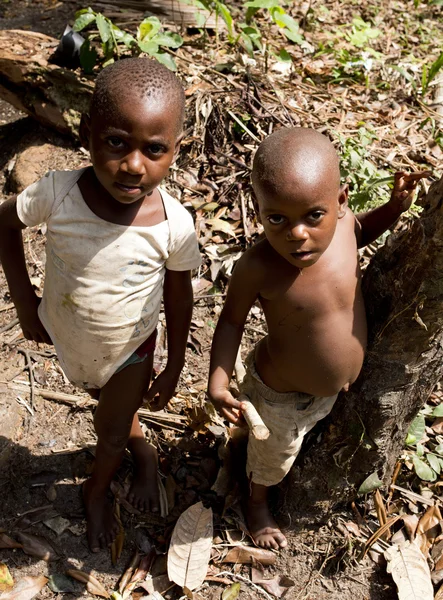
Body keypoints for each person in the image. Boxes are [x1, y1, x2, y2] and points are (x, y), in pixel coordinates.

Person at [0, 57, 201, 552]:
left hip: (131, 347)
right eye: (117, 142)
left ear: (177, 150)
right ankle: (143, 449)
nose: (134, 165)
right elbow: (4, 224)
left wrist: (173, 362)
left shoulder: (174, 225)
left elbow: (178, 296)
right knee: (107, 406)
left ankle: (96, 488)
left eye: (154, 150)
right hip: (71, 338)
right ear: (87, 132)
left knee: (108, 431)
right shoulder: (59, 193)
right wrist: (26, 303)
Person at [207, 127, 429, 550]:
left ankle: (244, 454)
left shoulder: (346, 229)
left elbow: (363, 228)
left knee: (285, 447)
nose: (297, 234)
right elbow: (232, 321)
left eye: (313, 216)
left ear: (340, 202)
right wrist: (218, 382)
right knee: (273, 459)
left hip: (330, 394)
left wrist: (394, 209)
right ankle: (255, 502)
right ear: (259, 211)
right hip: (281, 397)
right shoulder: (259, 267)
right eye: (277, 219)